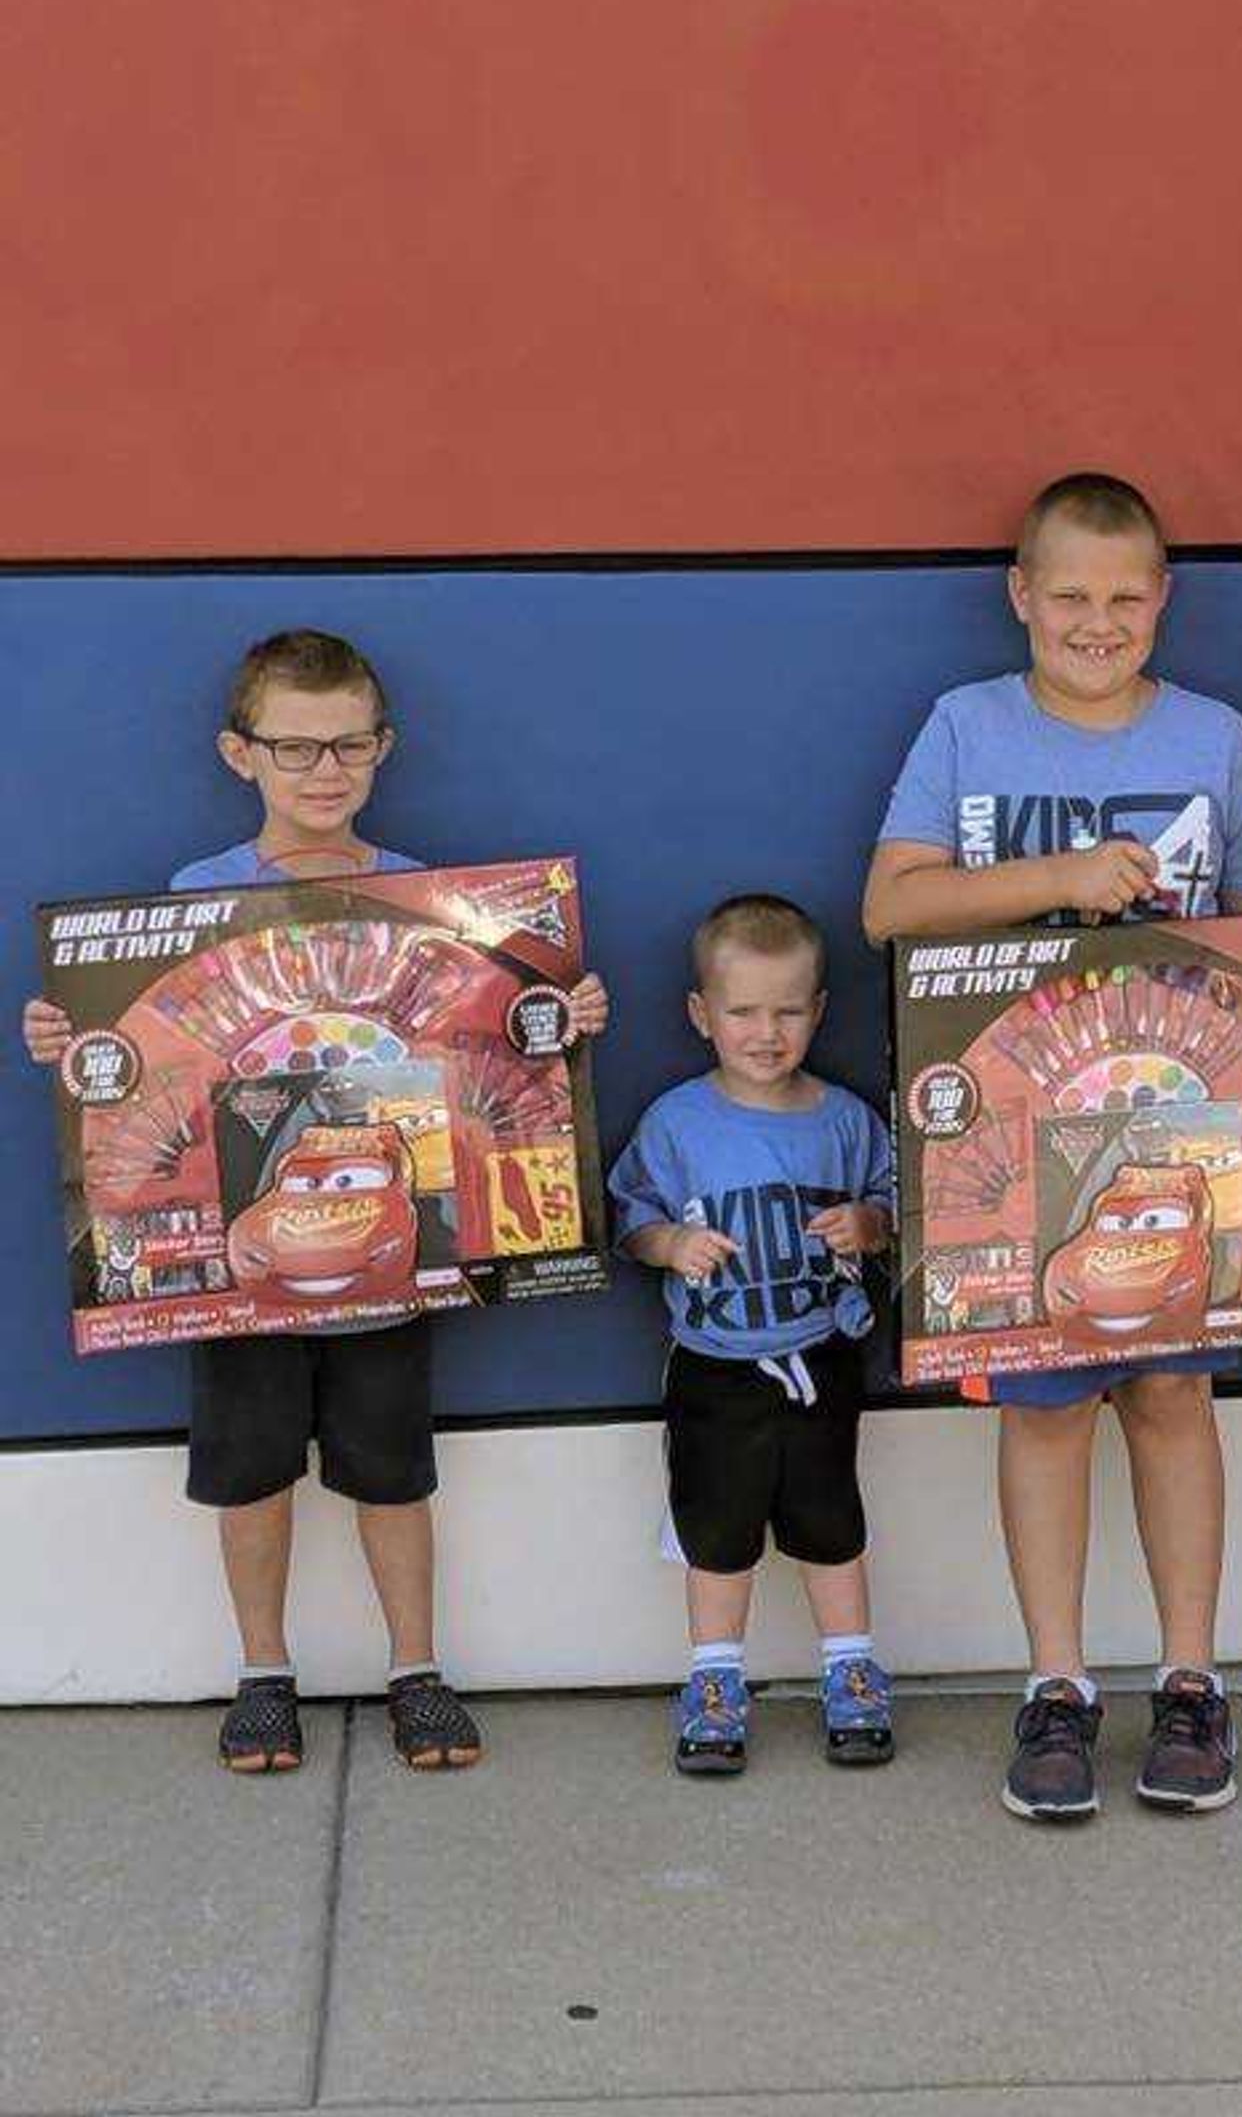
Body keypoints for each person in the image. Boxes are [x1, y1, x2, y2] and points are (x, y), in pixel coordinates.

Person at [22, 628, 610, 1774]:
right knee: (250, 1471)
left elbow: (499, 1047)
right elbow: (138, 1061)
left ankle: (417, 1668)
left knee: (392, 1465)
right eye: (295, 747)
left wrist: (558, 1015)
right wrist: (68, 1036)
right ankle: (262, 1672)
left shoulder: (432, 905)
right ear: (239, 754)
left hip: (391, 1249)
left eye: (348, 745)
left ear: (383, 748)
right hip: (238, 1269)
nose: (324, 769)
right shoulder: (190, 900)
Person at [865, 471, 1242, 1820]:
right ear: (1020, 598)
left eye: (1124, 597)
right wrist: (1059, 879)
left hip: (1180, 1138)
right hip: (1009, 1142)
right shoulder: (967, 725)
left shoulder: (1217, 735)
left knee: (1172, 1399)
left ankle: (1190, 1679)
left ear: (1162, 600)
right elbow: (890, 907)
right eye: (1070, 595)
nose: (1096, 621)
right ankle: (1055, 1685)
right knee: (1045, 1413)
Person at [608, 893, 896, 1775]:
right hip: (715, 1368)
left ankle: (851, 1666)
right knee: (716, 1527)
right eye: (742, 1011)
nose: (764, 1033)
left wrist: (867, 1224)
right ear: (702, 1015)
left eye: (785, 1012)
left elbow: (899, 1200)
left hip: (821, 1354)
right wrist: (672, 1245)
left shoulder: (844, 1118)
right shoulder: (677, 1121)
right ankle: (714, 1677)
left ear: (818, 1013)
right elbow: (631, 1221)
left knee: (830, 1518)